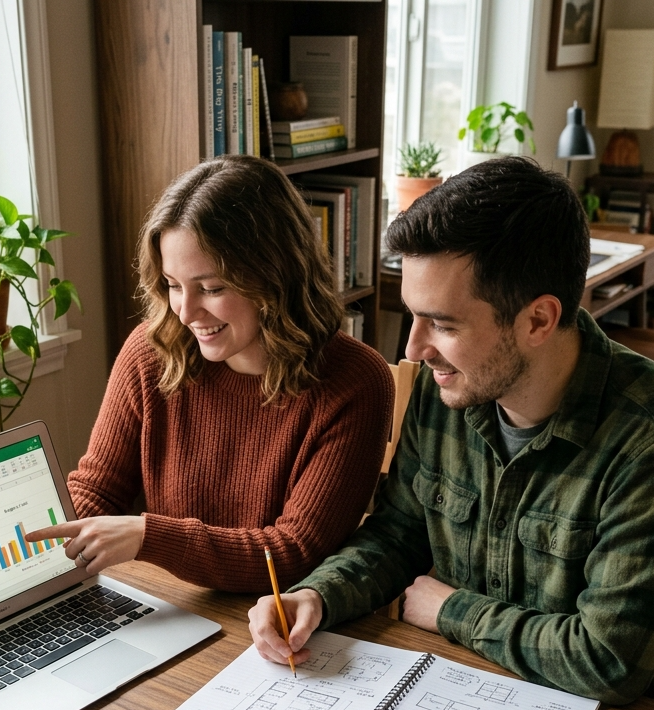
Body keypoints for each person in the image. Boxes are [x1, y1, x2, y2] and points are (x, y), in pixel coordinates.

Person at [249, 156, 654, 706]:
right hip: (454, 690)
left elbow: (609, 660)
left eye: (443, 324)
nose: (414, 349)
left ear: (538, 320)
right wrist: (318, 595)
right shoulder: (447, 383)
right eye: (414, 316)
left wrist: (451, 610)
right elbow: (398, 532)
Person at [25, 155, 394, 591]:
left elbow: (294, 552)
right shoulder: (150, 351)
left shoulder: (355, 381)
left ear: (277, 275)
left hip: (279, 625)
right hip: (176, 603)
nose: (184, 313)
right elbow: (98, 491)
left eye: (212, 288)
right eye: (173, 285)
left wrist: (148, 536)